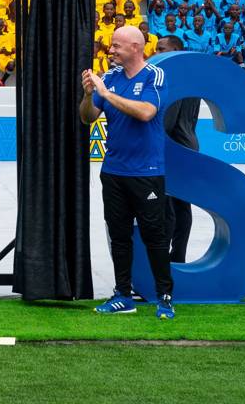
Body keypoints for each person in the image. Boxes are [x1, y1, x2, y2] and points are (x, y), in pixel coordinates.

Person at [80, 25, 174, 319]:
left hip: (146, 172)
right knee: (118, 236)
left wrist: (106, 94)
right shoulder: (109, 78)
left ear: (136, 47)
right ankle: (123, 295)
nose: (111, 50)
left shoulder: (154, 76)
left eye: (116, 45)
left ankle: (164, 297)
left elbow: (146, 112)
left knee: (154, 236)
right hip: (113, 172)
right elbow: (88, 118)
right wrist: (88, 96)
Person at [155, 35, 200, 264]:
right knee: (182, 206)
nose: (156, 52)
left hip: (174, 147)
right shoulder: (192, 77)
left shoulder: (171, 79)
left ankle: (166, 258)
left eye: (161, 48)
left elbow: (168, 122)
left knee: (169, 206)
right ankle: (178, 255)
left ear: (175, 50)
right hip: (189, 145)